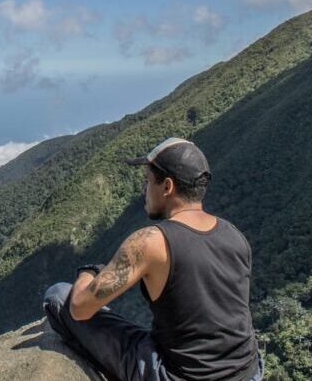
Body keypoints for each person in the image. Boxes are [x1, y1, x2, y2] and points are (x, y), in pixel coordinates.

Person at [43, 137, 263, 381]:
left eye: (148, 182)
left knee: (59, 296)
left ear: (167, 187)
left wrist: (89, 272)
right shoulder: (235, 235)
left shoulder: (151, 242)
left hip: (179, 376)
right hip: (248, 372)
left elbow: (80, 308)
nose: (144, 191)